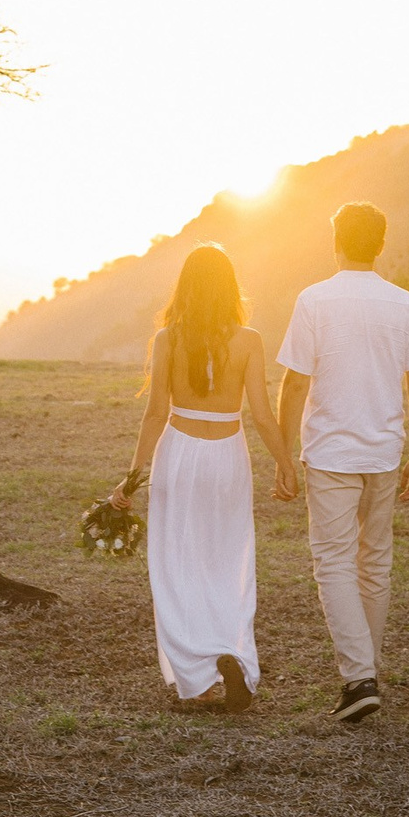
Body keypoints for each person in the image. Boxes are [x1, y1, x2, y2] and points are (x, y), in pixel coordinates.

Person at [109, 244, 294, 711]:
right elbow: (262, 415)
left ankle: (198, 673)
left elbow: (155, 414)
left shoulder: (167, 339)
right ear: (230, 288)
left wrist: (131, 479)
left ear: (185, 287)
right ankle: (230, 651)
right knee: (227, 559)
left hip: (180, 453)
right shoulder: (249, 340)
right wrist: (285, 464)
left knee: (177, 564)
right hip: (228, 456)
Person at [274, 201, 409, 723]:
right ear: (381, 244)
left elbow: (295, 383)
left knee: (334, 562)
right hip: (384, 452)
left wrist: (282, 456)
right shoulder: (404, 303)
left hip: (330, 453)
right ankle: (366, 671)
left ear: (336, 241)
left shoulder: (313, 300)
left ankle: (359, 677)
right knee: (375, 561)